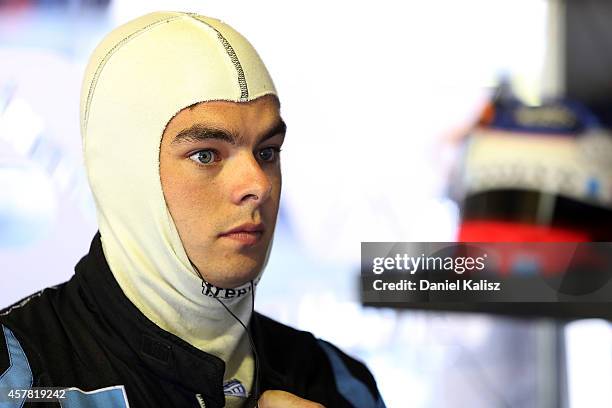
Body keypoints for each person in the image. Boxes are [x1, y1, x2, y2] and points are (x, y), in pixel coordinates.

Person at [0, 11, 385, 408]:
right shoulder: (15, 376)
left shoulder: (339, 381)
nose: (258, 185)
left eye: (267, 152)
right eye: (206, 154)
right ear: (126, 174)